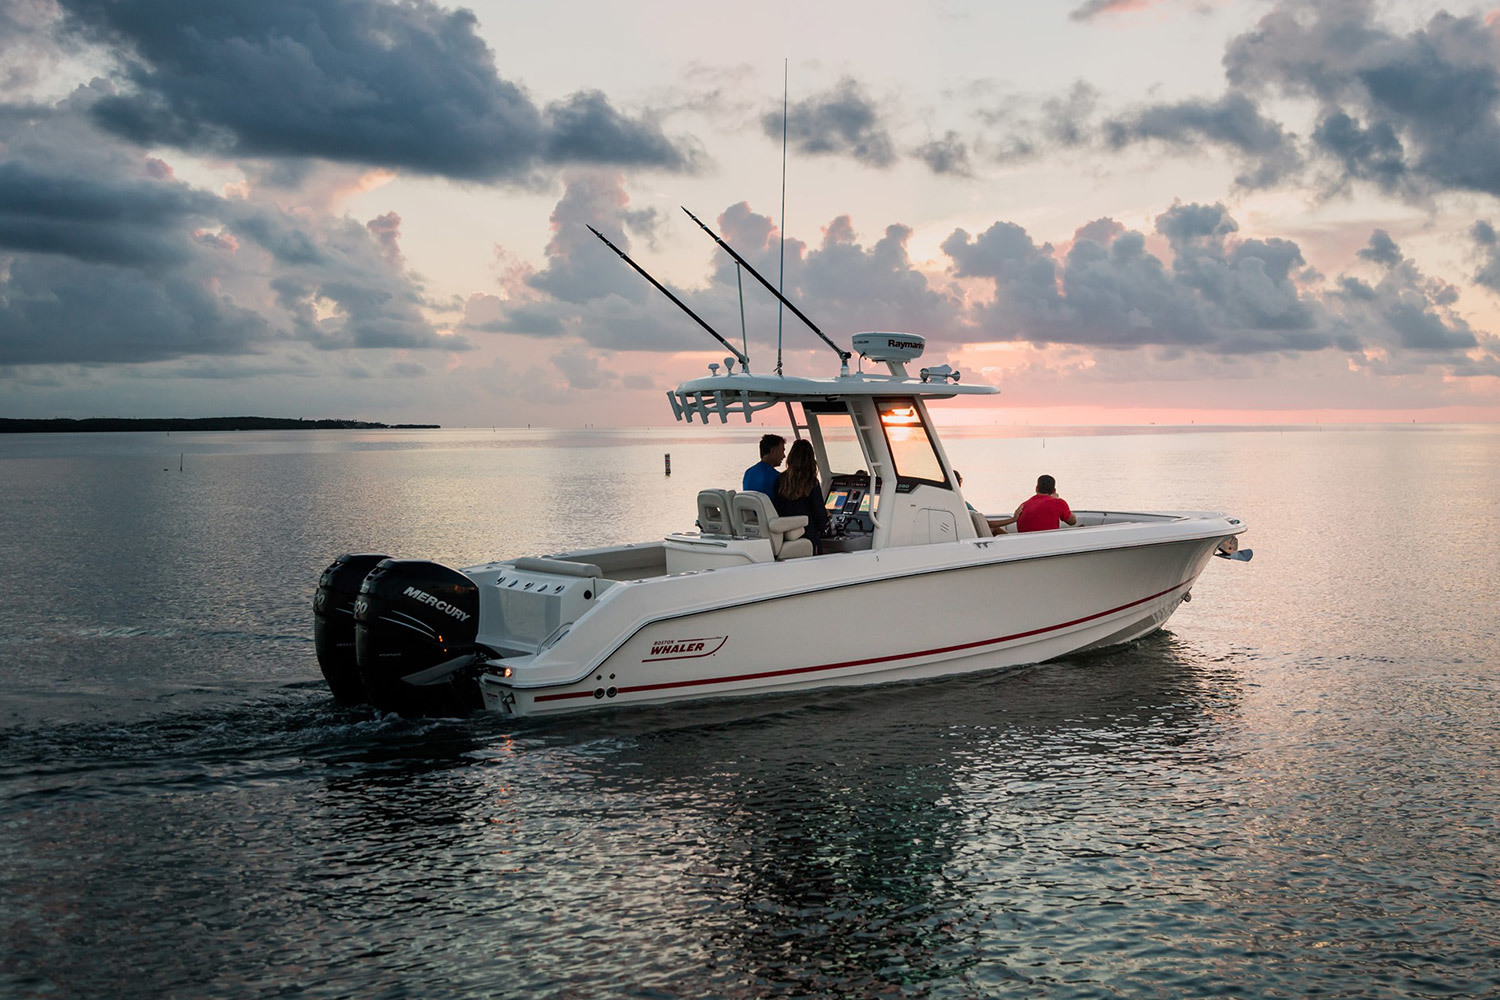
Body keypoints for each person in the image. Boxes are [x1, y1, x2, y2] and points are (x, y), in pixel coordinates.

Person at [773, 439, 828, 554]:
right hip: (809, 536)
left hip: (786, 535)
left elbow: (778, 509)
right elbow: (820, 517)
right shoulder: (811, 482)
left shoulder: (780, 480)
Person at [990, 474, 1076, 533]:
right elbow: (1072, 522)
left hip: (1024, 544)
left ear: (1036, 489)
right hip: (1047, 544)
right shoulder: (1058, 503)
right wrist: (1058, 500)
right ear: (1054, 491)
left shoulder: (1023, 505)